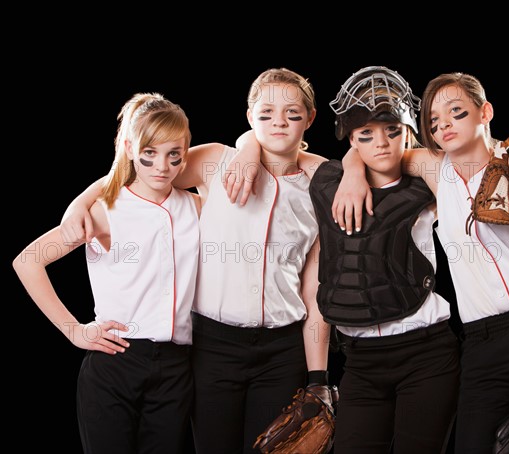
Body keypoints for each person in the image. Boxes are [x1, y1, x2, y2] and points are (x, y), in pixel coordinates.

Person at [59, 68, 332, 454]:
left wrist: (319, 377)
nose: (279, 122)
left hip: (282, 349)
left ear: (310, 118)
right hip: (213, 347)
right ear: (250, 115)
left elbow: (313, 285)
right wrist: (79, 204)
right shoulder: (216, 160)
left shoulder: (320, 182)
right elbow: (140, 174)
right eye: (266, 112)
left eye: (292, 113)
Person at [335, 72, 509, 453]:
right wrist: (352, 174)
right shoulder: (436, 170)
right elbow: (374, 146)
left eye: (456, 112)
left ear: (484, 111)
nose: (443, 126)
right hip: (482, 342)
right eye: (434, 122)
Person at [13, 92, 201, 454]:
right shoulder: (105, 210)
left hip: (178, 368)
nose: (161, 166)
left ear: (185, 152)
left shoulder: (196, 206)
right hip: (115, 361)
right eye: (149, 153)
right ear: (130, 148)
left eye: (173, 155)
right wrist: (74, 331)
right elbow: (28, 260)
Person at [307, 66, 459, 454]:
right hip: (360, 361)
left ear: (408, 129)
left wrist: (357, 162)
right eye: (365, 136)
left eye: (393, 131)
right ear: (351, 138)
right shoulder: (326, 182)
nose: (382, 144)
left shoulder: (429, 183)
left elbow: (450, 161)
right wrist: (352, 168)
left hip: (426, 353)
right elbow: (264, 143)